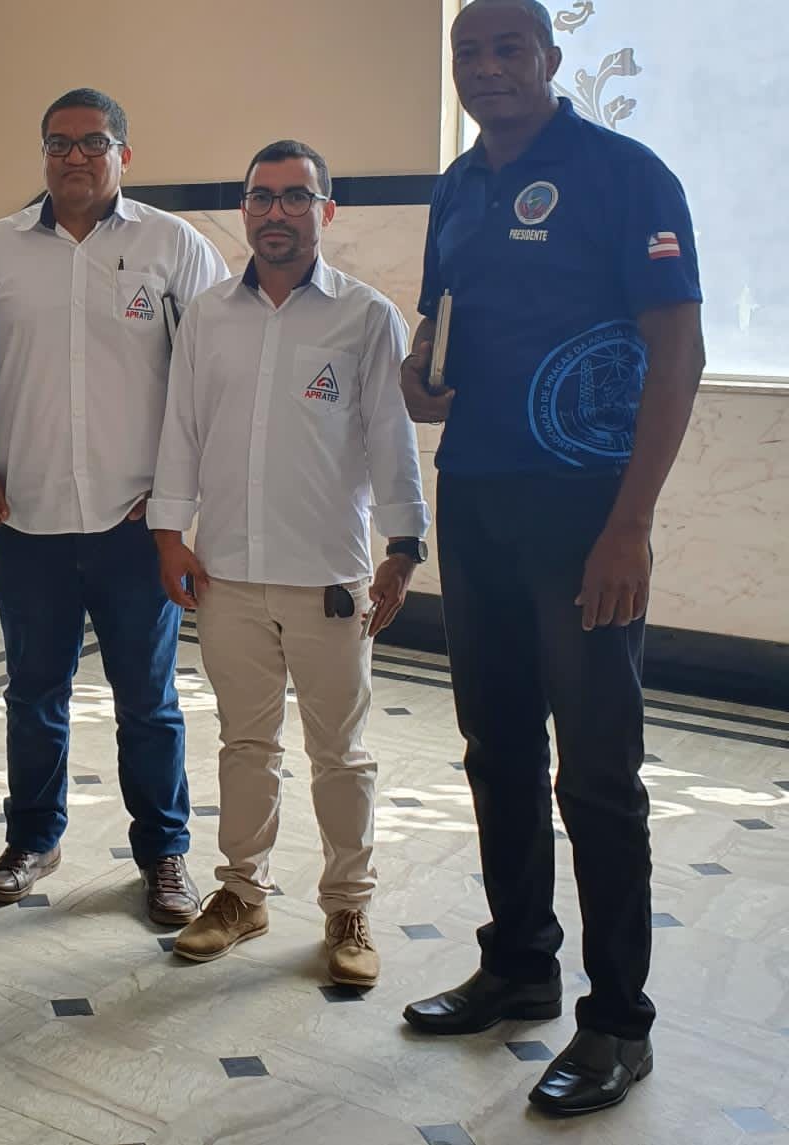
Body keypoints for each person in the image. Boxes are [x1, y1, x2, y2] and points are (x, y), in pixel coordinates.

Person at [399, 0, 705, 1116]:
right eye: (467, 51)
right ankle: (519, 963)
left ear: (549, 57)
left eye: (506, 48)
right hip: (475, 497)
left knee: (597, 773)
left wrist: (629, 525)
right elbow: (437, 326)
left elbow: (678, 351)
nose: (485, 67)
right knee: (496, 748)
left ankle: (617, 1020)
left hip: (585, 514)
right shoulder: (456, 186)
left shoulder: (626, 175)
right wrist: (417, 376)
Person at [149, 140, 429, 983]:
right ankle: (242, 893)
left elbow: (390, 438)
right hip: (227, 572)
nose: (277, 212)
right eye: (261, 197)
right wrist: (169, 532)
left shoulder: (365, 316)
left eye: (295, 197)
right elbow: (181, 429)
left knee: (340, 753)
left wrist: (404, 545)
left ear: (326, 211)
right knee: (245, 743)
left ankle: (348, 906)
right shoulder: (208, 315)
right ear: (244, 210)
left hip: (329, 577)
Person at [0, 88, 229, 925]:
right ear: (42, 153)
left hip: (134, 525)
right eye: (59, 143)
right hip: (27, 519)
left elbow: (211, 381)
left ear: (123, 155)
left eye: (93, 142)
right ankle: (32, 838)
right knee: (34, 691)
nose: (75, 156)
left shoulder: (174, 246)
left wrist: (176, 504)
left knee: (148, 699)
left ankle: (164, 854)